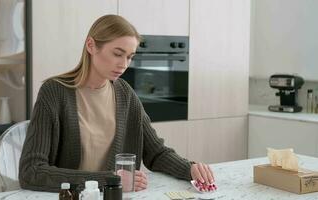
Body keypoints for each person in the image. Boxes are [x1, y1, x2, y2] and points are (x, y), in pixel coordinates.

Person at [19, 14, 214, 192]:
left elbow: (155, 153)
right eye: (117, 53)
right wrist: (110, 180)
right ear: (91, 45)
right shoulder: (54, 92)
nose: (124, 64)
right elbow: (32, 171)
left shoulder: (124, 93)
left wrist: (189, 168)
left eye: (130, 57)